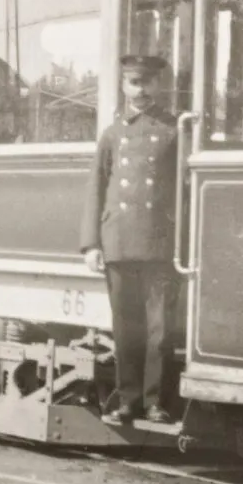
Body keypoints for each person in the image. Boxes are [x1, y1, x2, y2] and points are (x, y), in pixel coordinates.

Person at [81, 55, 180, 426]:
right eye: (134, 83)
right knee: (126, 329)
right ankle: (128, 401)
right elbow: (96, 188)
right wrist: (92, 243)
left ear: (158, 85)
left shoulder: (174, 130)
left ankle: (155, 402)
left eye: (147, 82)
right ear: (124, 86)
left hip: (159, 243)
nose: (141, 90)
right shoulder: (112, 134)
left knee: (160, 331)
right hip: (120, 241)